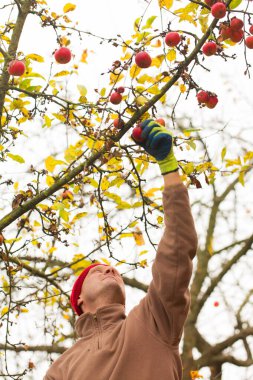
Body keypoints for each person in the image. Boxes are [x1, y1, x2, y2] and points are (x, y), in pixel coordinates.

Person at [44, 119, 198, 380]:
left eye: (113, 270)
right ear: (78, 300)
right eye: (97, 271)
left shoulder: (154, 321)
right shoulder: (60, 369)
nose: (110, 268)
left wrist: (168, 165)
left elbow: (177, 248)